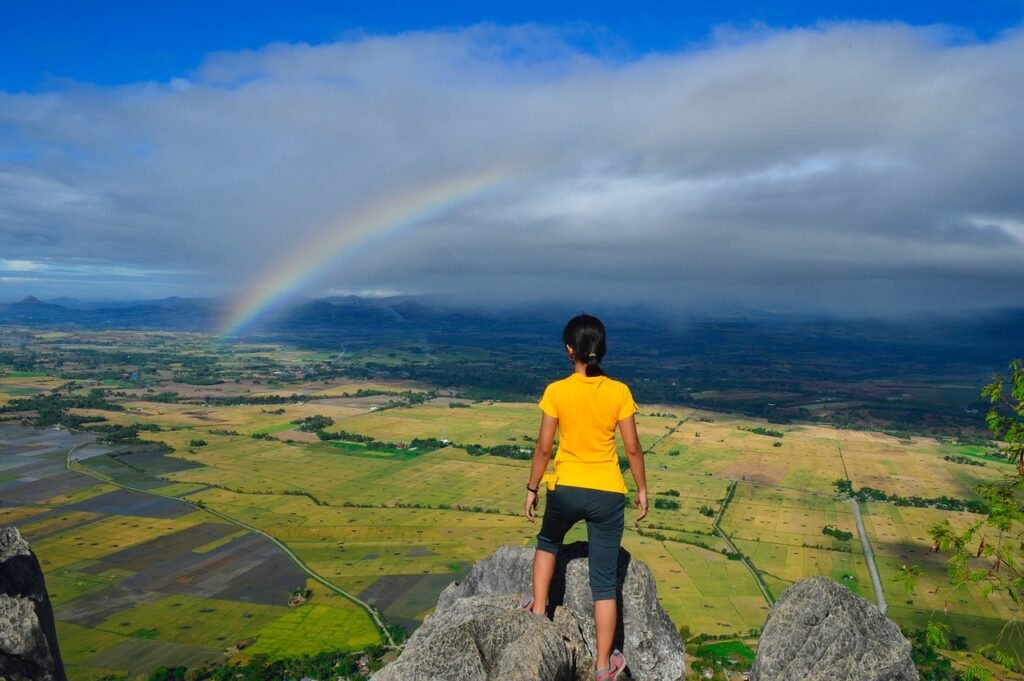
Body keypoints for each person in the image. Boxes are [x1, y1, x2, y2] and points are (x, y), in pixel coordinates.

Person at [523, 314, 649, 681]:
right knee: (605, 583)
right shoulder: (619, 392)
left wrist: (532, 489)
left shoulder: (556, 391)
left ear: (569, 351)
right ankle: (602, 667)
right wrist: (641, 490)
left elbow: (544, 448)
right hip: (608, 493)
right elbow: (634, 449)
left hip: (565, 489)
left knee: (548, 542)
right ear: (602, 350)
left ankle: (538, 616)